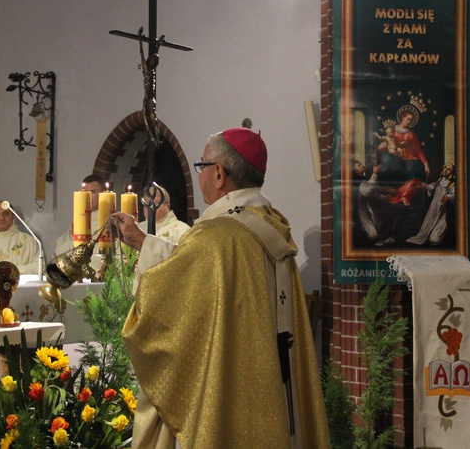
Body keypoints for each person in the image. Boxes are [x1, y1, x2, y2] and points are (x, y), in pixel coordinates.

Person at [112, 127, 329, 448]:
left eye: (201, 167)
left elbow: (175, 291)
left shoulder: (217, 235)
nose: (200, 176)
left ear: (218, 174)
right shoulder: (268, 222)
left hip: (231, 379)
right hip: (269, 372)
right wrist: (144, 242)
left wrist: (143, 257)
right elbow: (199, 271)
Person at [407, 162, 456, 245]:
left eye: (448, 170)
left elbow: (454, 194)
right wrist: (425, 186)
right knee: (429, 221)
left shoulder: (452, 184)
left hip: (443, 209)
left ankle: (437, 236)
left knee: (434, 239)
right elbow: (432, 187)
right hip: (434, 206)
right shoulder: (439, 181)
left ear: (451, 173)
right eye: (445, 168)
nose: (445, 170)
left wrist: (447, 197)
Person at [54, 174, 103, 257]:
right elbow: (59, 249)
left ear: (103, 194)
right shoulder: (78, 220)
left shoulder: (109, 221)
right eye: (84, 192)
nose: (87, 196)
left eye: (92, 192)